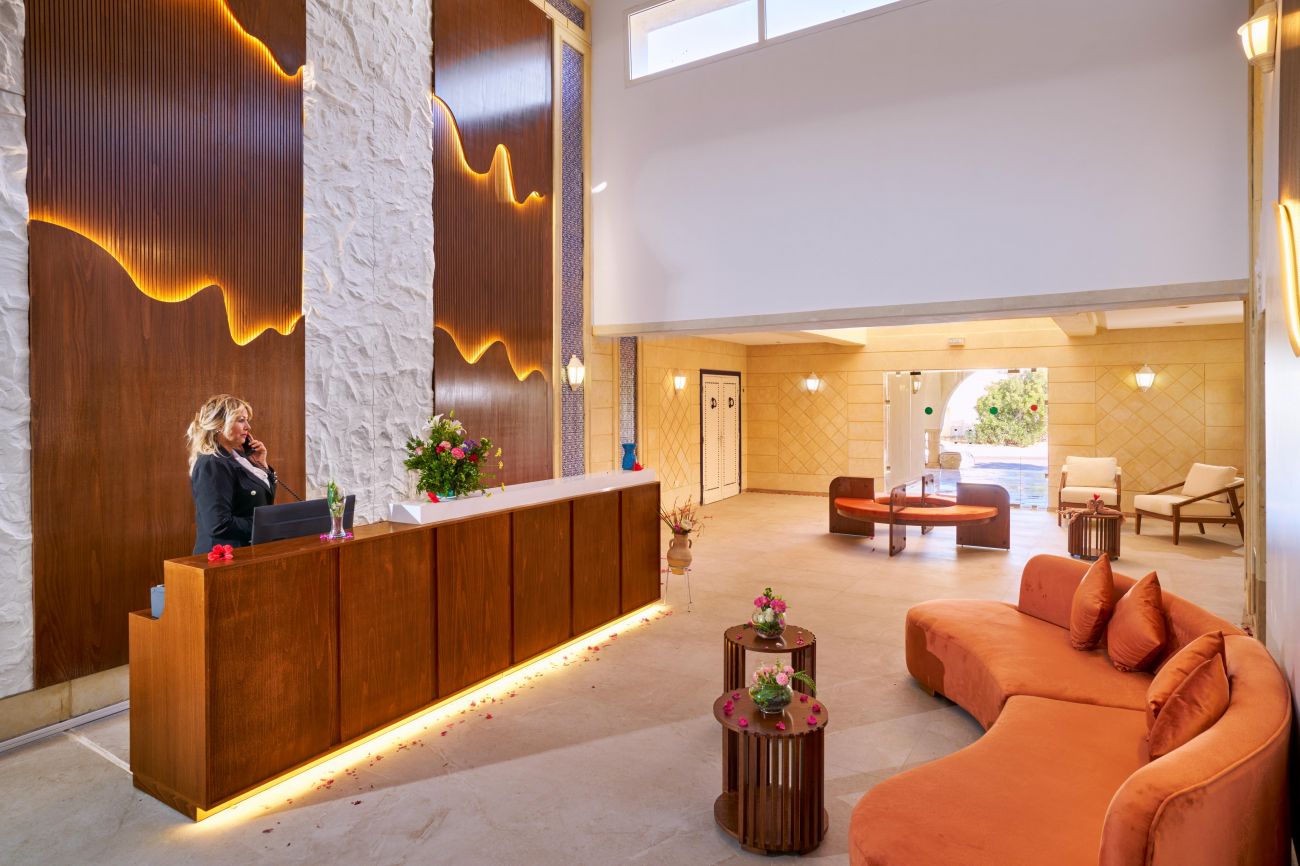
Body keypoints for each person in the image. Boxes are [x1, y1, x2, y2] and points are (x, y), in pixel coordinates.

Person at [187, 394, 277, 554]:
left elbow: (262, 499)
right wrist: (266, 525)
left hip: (248, 552)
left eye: (247, 420)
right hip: (224, 557)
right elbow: (218, 525)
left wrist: (262, 465)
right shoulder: (212, 463)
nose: (248, 427)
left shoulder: (242, 458)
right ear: (220, 425)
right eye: (241, 420)